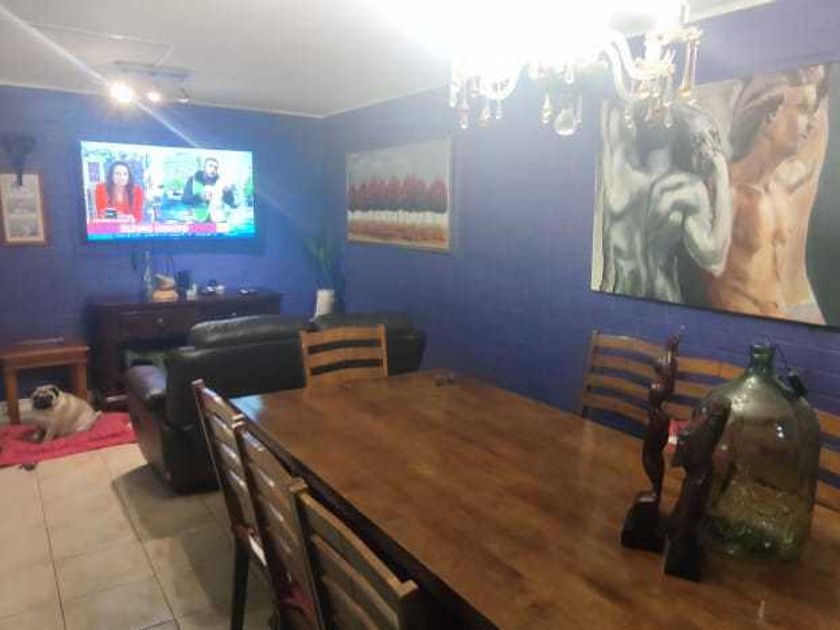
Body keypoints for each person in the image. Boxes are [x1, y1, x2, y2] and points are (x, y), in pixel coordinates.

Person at [705, 66, 829, 323]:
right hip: (739, 331)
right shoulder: (725, 191)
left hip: (781, 326)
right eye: (803, 109)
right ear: (770, 114)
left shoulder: (780, 193)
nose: (812, 122)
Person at [181, 157, 237, 222]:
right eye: (210, 166)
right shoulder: (192, 180)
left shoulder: (221, 182)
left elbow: (231, 202)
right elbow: (185, 200)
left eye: (215, 168)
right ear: (204, 167)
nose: (213, 169)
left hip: (217, 220)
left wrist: (227, 193)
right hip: (198, 221)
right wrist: (199, 197)